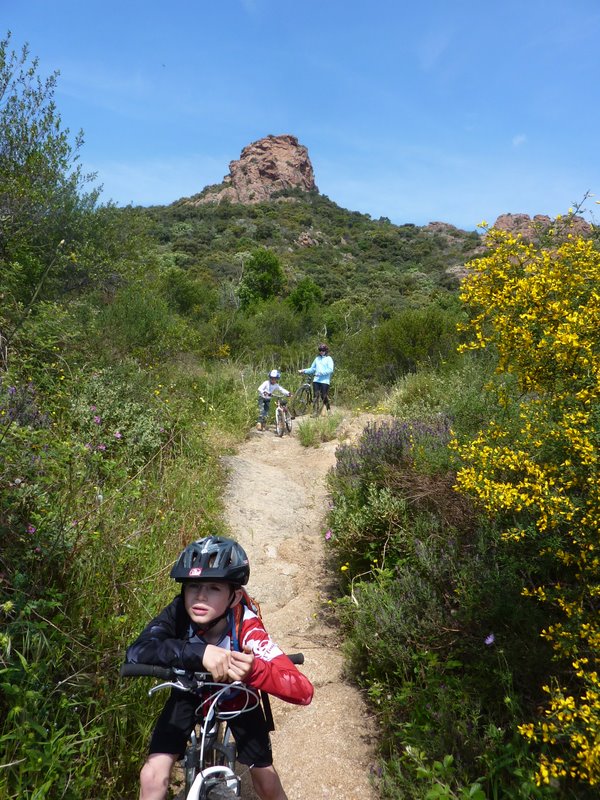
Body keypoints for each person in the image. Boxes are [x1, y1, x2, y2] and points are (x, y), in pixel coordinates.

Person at [125, 535, 314, 800]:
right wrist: (199, 653)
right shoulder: (179, 612)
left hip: (239, 697)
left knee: (267, 784)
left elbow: (303, 691)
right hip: (188, 691)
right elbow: (136, 651)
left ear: (235, 596)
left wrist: (255, 671)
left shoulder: (247, 627)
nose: (199, 597)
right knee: (151, 777)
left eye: (214, 588)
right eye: (192, 586)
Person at [298, 343, 334, 411]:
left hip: (324, 381)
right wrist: (304, 370)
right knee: (315, 396)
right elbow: (312, 369)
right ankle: (315, 411)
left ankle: (328, 409)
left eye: (323, 350)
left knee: (323, 396)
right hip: (316, 380)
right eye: (320, 350)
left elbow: (330, 369)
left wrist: (321, 373)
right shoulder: (317, 359)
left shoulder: (329, 359)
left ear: (326, 351)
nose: (321, 352)